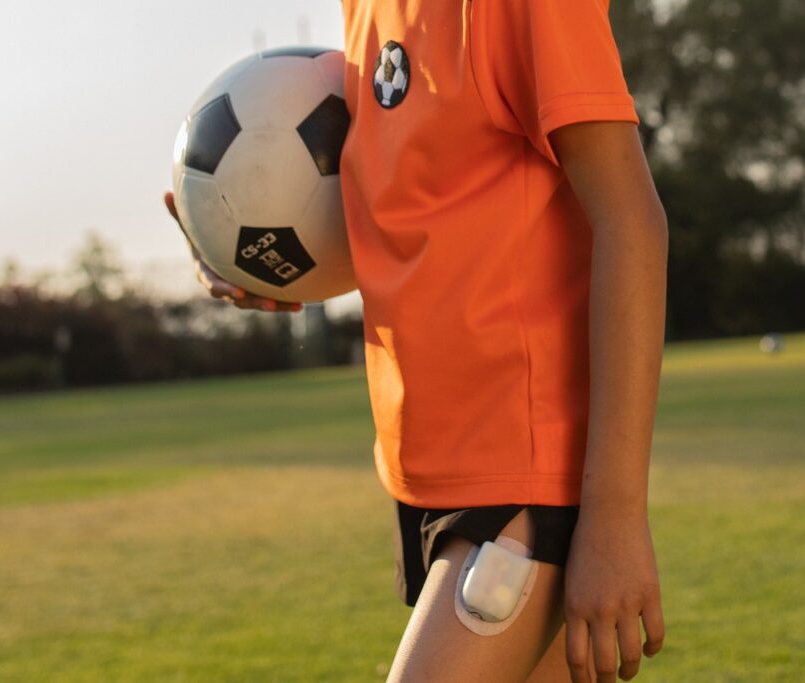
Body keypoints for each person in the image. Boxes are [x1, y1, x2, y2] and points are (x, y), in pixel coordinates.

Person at [166, 0, 667, 679]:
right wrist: (260, 257)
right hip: (425, 465)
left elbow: (630, 219)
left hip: (522, 471)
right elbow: (430, 214)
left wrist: (615, 518)